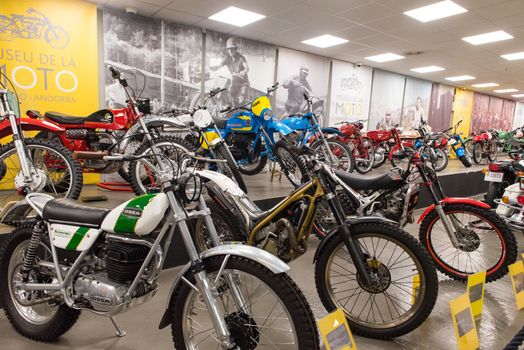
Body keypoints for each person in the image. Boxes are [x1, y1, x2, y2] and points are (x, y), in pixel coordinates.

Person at [209, 37, 250, 106]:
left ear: (235, 49)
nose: (230, 51)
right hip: (234, 82)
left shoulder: (241, 57)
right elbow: (218, 66)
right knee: (228, 95)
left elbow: (247, 68)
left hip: (243, 83)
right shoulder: (227, 58)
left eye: (232, 48)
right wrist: (212, 68)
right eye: (229, 49)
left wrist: (243, 72)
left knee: (241, 102)